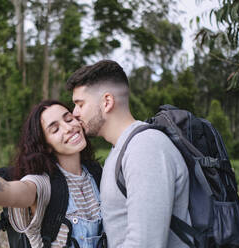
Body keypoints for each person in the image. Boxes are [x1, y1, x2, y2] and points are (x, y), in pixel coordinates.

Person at [0, 100, 104, 248]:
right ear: (46, 146)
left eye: (69, 119)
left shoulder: (98, 173)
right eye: (55, 129)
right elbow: (9, 192)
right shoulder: (42, 184)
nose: (69, 128)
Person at [66, 60, 191, 248]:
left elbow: (146, 243)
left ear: (107, 102)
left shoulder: (145, 148)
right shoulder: (121, 149)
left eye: (80, 104)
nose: (74, 113)